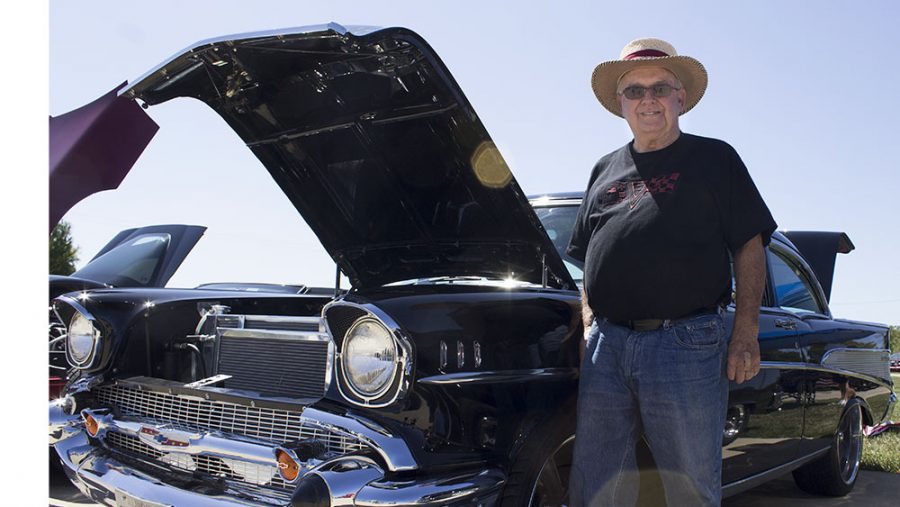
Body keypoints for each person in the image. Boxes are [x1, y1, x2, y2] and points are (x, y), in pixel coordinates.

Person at [566, 38, 777, 506]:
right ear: (620, 103)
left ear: (680, 98)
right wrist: (587, 325)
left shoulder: (715, 158)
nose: (648, 100)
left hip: (687, 341)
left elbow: (750, 243)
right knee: (594, 483)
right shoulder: (604, 168)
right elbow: (586, 257)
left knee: (688, 486)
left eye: (659, 88)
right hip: (608, 346)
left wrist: (746, 331)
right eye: (635, 91)